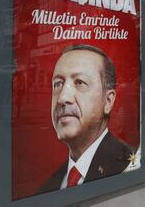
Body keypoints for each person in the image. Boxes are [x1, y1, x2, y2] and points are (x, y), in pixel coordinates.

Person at [38, 44, 135, 194]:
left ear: (108, 101)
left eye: (80, 83)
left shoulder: (127, 164)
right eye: (58, 84)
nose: (63, 98)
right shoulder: (48, 186)